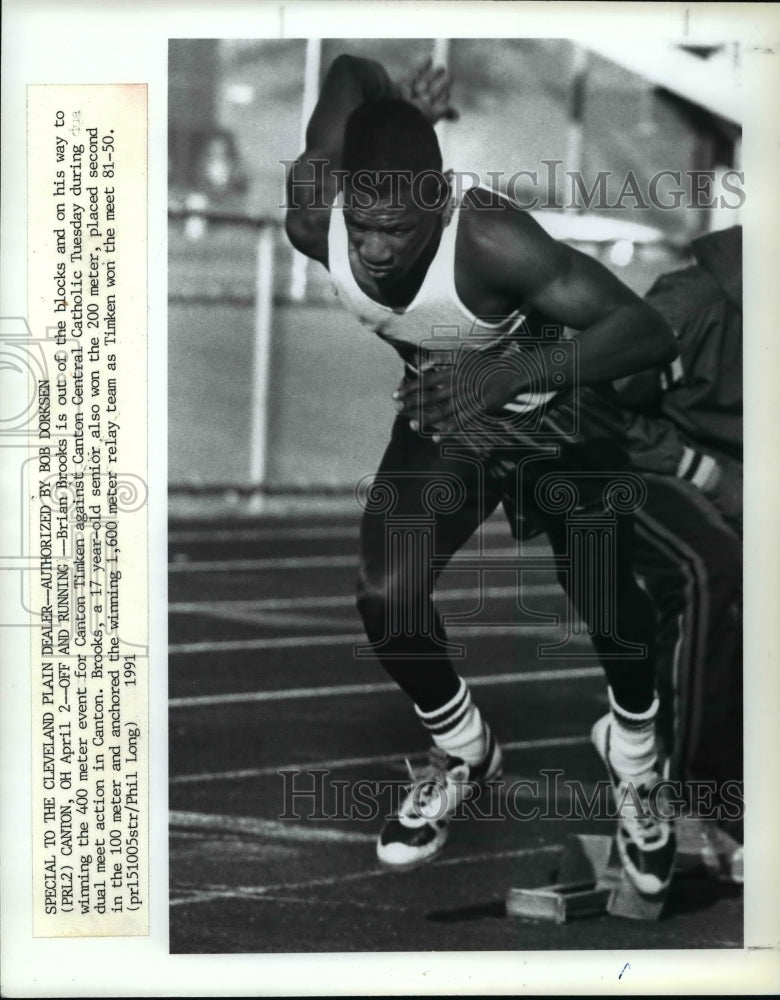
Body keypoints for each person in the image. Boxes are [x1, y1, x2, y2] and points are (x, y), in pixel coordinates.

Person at [284, 54, 679, 896]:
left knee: (606, 597)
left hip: (552, 396)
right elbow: (350, 72)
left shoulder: (492, 237)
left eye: (401, 230)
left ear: (441, 200)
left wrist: (500, 376)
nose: (380, 252)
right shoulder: (314, 213)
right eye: (366, 228)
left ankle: (638, 759)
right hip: (446, 408)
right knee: (383, 596)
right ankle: (462, 747)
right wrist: (397, 101)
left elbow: (645, 332)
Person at [615, 226, 743, 877]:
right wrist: (707, 472)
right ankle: (699, 796)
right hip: (641, 471)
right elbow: (597, 407)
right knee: (709, 571)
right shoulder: (688, 305)